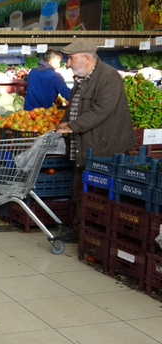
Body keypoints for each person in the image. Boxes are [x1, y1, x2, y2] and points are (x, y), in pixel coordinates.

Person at [54, 40, 135, 242]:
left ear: (86, 57)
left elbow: (102, 110)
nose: (68, 64)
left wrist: (73, 126)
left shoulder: (109, 78)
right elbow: (72, 108)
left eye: (71, 58)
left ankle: (94, 234)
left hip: (105, 147)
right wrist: (63, 123)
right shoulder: (82, 79)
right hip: (85, 146)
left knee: (96, 193)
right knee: (80, 189)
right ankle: (79, 231)